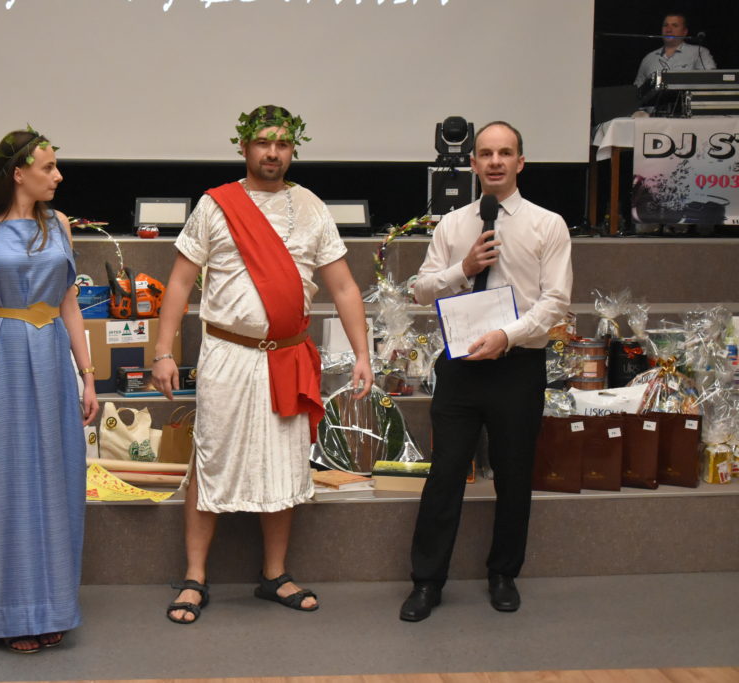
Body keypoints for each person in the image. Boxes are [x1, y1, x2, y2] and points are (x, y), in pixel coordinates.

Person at [151, 105, 373, 624]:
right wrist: (162, 352)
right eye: (263, 143)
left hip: (287, 356)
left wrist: (363, 354)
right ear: (244, 147)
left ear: (293, 149)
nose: (273, 153)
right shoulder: (216, 205)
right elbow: (180, 282)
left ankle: (274, 574)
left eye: (282, 144)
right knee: (211, 459)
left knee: (283, 463)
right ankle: (195, 577)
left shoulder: (311, 207)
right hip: (228, 354)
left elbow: (343, 285)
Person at [400, 121, 572, 622]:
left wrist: (507, 336)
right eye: (486, 154)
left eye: (505, 153)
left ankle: (503, 575)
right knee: (445, 474)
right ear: (473, 163)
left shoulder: (547, 225)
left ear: (521, 162)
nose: (495, 161)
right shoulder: (452, 226)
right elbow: (421, 290)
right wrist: (465, 269)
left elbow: (556, 302)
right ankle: (427, 582)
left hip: (517, 366)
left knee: (514, 476)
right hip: (460, 367)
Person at [0, 128, 99, 653]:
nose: (58, 176)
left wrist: (87, 375)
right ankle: (7, 613)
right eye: (48, 167)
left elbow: (69, 304)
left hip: (51, 358)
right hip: (0, 358)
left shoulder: (59, 224)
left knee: (57, 477)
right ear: (18, 174)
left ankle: (52, 606)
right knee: (1, 481)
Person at [634, 12, 715, 88]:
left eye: (675, 25)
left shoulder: (699, 52)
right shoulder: (649, 58)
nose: (668, 30)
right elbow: (636, 90)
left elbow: (711, 80)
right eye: (665, 25)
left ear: (684, 32)